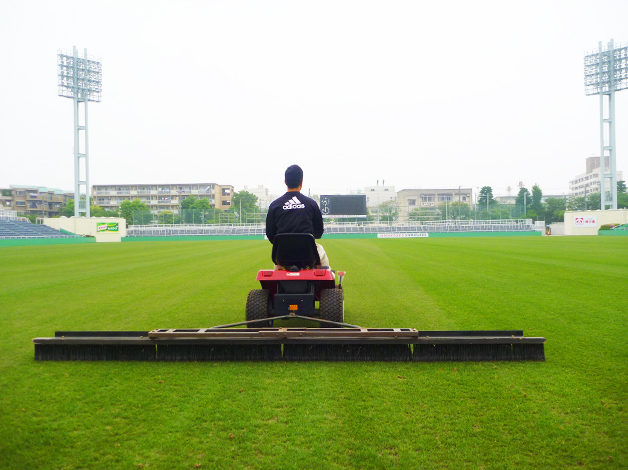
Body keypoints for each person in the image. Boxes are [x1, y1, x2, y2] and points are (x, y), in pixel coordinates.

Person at [266, 165, 330, 268]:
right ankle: (326, 284)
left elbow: (270, 235)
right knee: (322, 256)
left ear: (285, 182)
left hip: (282, 256)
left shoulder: (274, 205)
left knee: (277, 269)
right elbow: (318, 233)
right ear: (301, 182)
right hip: (309, 255)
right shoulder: (311, 204)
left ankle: (279, 283)